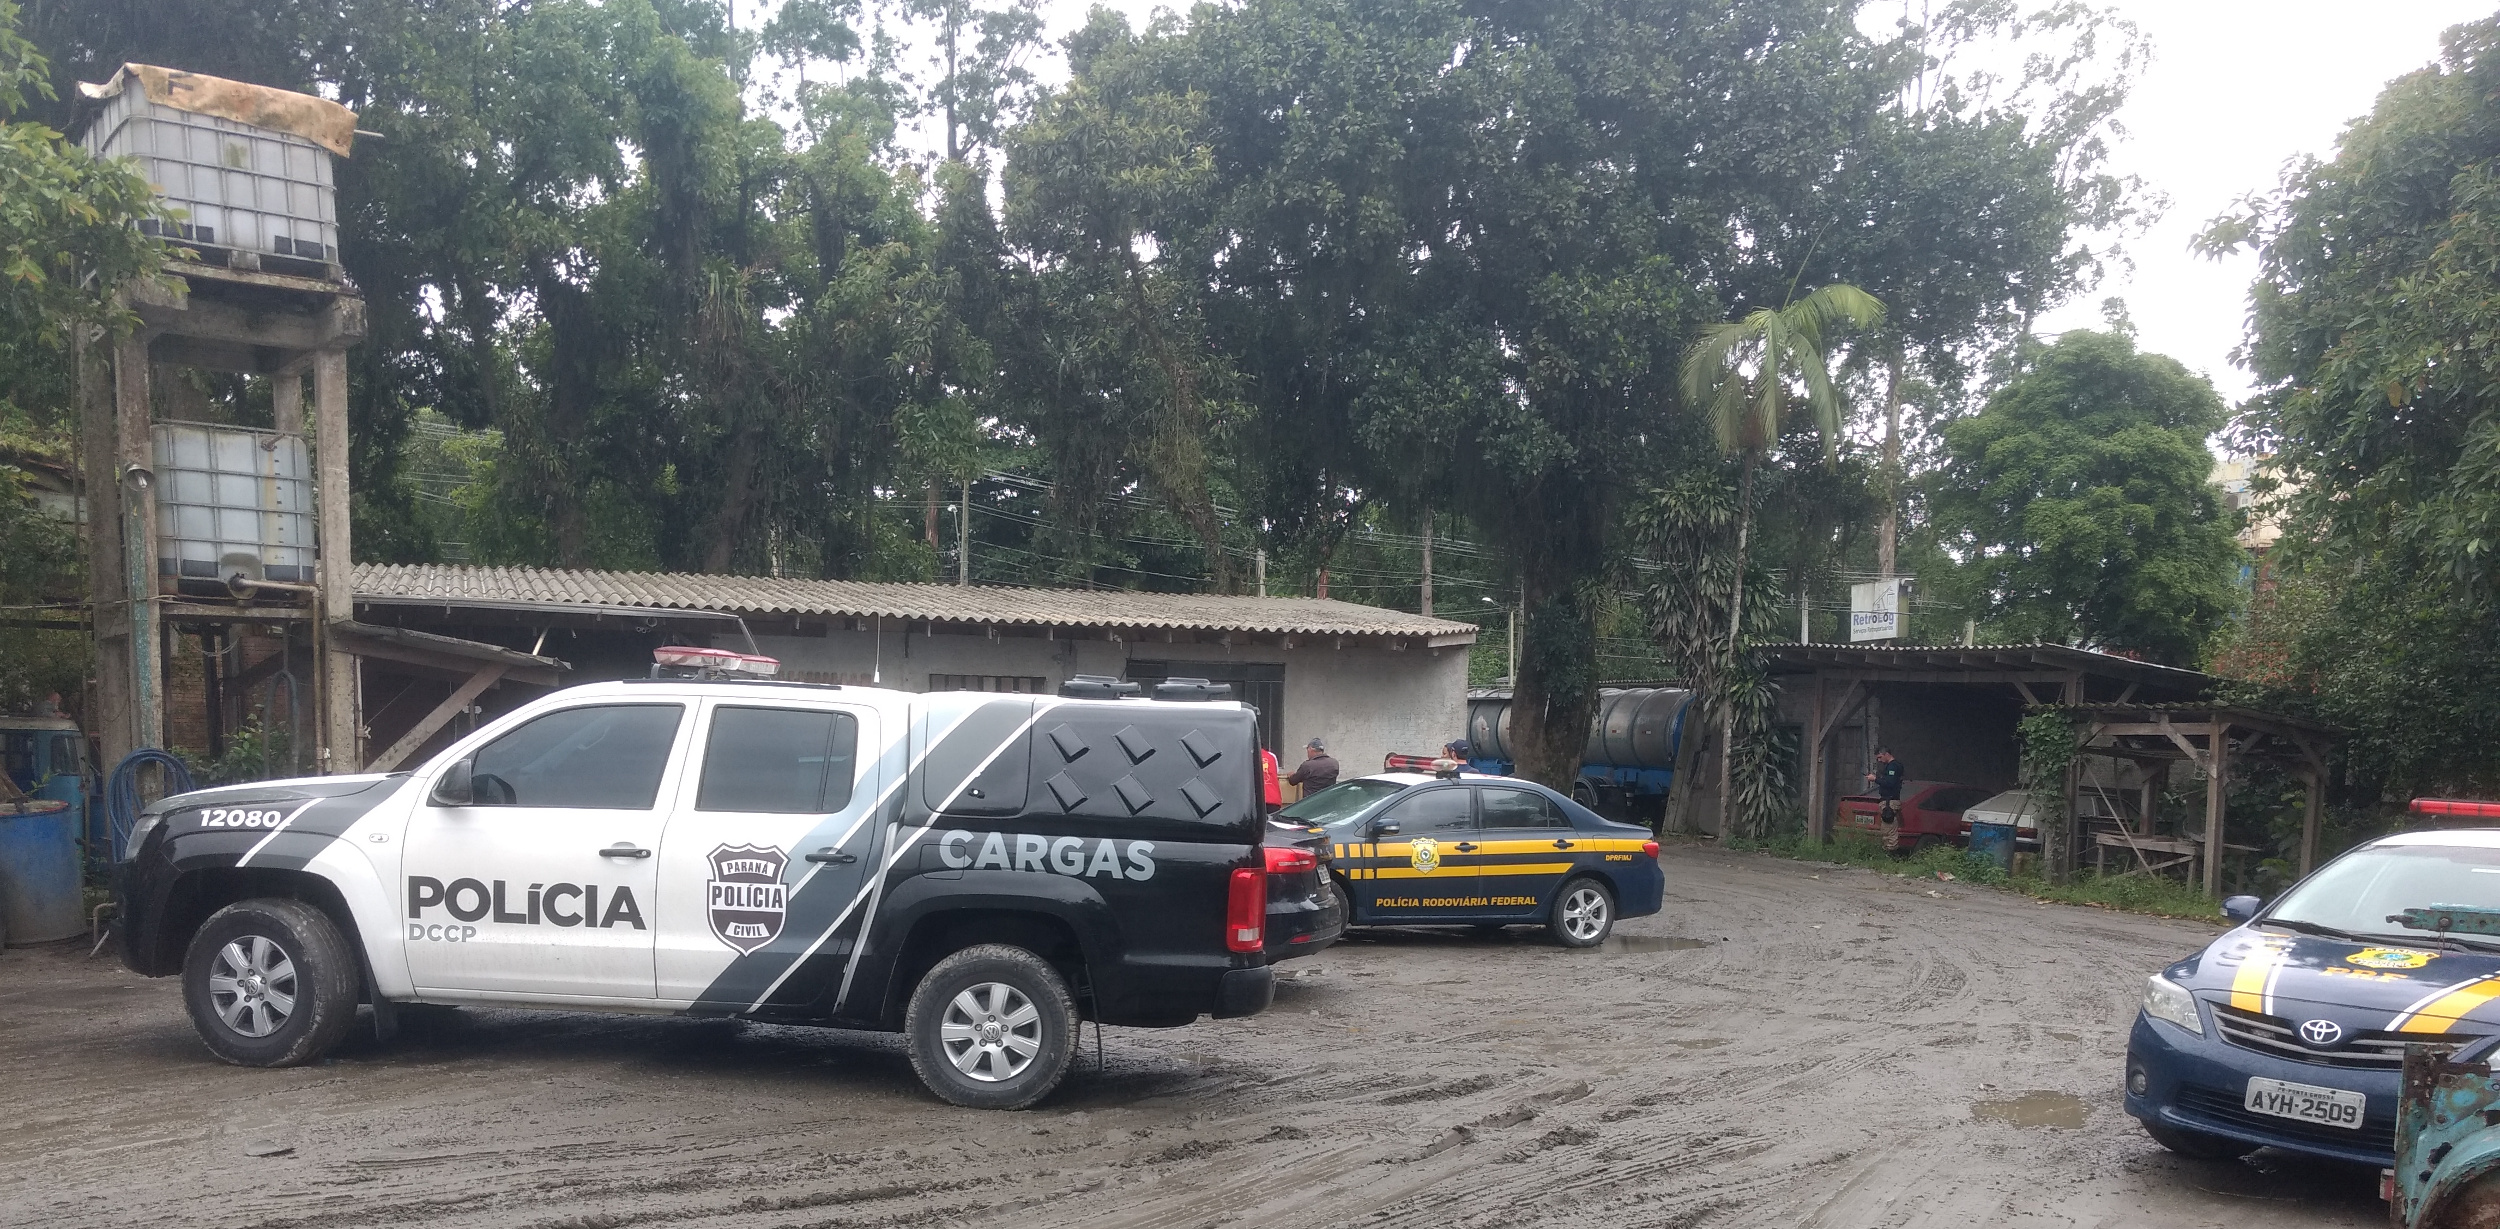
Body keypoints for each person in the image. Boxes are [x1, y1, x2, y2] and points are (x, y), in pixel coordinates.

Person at [1867, 748, 1905, 826]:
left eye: (1880, 757)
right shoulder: (1894, 766)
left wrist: (1875, 779)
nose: (1879, 760)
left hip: (1889, 803)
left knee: (1888, 830)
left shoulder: (1892, 766)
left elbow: (1889, 783)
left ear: (1887, 754)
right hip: (1889, 801)